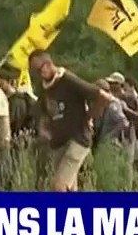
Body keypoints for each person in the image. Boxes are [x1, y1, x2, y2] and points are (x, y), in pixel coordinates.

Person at [28, 49, 115, 192]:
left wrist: (89, 116)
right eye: (35, 72)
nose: (39, 74)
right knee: (70, 189)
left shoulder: (68, 80)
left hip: (77, 139)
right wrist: (44, 129)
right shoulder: (44, 87)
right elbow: (44, 112)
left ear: (48, 64)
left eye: (39, 70)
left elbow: (104, 97)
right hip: (59, 142)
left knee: (59, 187)